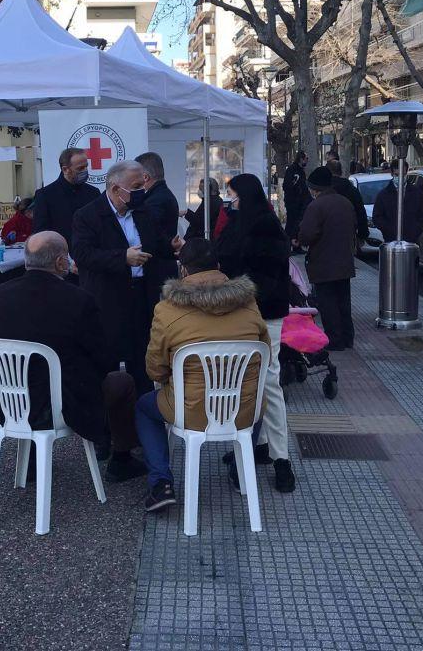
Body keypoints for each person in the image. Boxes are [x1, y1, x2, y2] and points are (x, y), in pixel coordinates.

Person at [0, 231, 146, 482]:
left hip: (3, 400)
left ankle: (33, 458)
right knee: (123, 382)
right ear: (59, 262)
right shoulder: (78, 299)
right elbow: (102, 357)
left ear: (26, 261)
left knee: (33, 373)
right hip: (60, 404)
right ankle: (121, 459)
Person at [135, 239, 271, 512]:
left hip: (190, 411)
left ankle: (161, 482)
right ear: (219, 267)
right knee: (257, 398)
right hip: (242, 411)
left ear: (182, 270)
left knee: (143, 408)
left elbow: (154, 368)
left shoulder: (167, 310)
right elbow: (264, 354)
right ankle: (238, 469)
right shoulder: (249, 304)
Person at [214, 173, 296, 493]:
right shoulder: (241, 220)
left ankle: (282, 459)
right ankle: (258, 445)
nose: (228, 200)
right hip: (242, 312)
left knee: (269, 382)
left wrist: (234, 289)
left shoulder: (264, 226)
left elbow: (262, 275)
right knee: (248, 381)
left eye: (232, 195)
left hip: (264, 314)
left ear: (245, 195)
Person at [71, 160, 176, 393]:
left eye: (143, 185)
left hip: (141, 295)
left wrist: (172, 247)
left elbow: (157, 243)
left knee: (141, 359)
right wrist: (122, 258)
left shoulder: (143, 211)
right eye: (136, 186)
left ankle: (142, 411)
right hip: (107, 298)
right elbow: (83, 254)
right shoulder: (88, 215)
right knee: (106, 359)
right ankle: (107, 418)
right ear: (116, 189)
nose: (142, 191)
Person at [298, 166, 357, 350]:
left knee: (328, 303)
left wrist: (299, 240)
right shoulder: (345, 202)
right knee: (343, 302)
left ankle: (335, 340)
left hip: (324, 262)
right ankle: (348, 338)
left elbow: (307, 234)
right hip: (344, 262)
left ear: (315, 188)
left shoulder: (316, 206)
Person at [32, 147, 100, 244]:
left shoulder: (93, 193)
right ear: (65, 169)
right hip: (60, 255)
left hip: (92, 254)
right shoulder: (45, 195)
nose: (85, 171)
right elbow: (40, 233)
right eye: (80, 168)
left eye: (86, 166)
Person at [134, 151, 180, 281]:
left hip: (158, 269)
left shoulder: (155, 201)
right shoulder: (161, 195)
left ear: (145, 177)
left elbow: (150, 234)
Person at [371, 159, 423, 244]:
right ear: (392, 173)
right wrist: (389, 230)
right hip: (391, 241)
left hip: (412, 241)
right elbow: (377, 217)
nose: (400, 178)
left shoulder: (417, 193)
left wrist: (415, 230)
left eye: (403, 174)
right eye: (397, 175)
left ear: (406, 173)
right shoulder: (383, 195)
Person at [326, 159, 368, 249]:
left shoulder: (323, 191)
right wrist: (362, 234)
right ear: (340, 172)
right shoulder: (351, 190)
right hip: (348, 234)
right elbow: (360, 212)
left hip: (326, 235)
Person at [282, 151, 312, 240]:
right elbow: (287, 186)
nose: (307, 161)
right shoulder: (293, 170)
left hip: (300, 201)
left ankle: (296, 243)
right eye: (306, 159)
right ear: (301, 159)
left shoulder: (300, 171)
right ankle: (288, 243)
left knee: (297, 223)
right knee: (291, 222)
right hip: (293, 201)